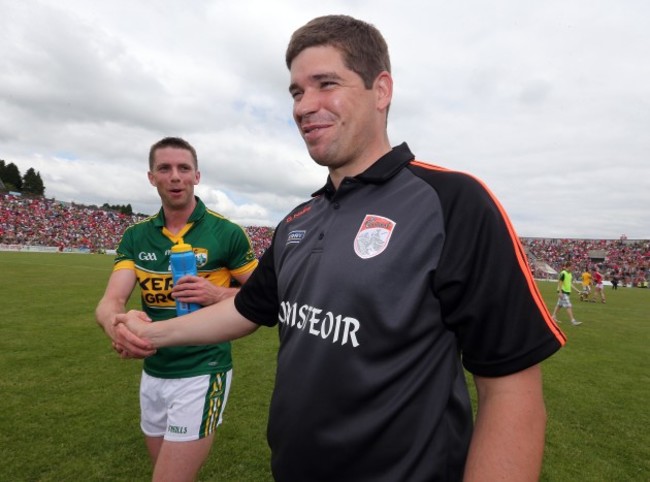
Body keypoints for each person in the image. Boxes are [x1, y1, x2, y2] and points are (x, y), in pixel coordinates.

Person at [114, 15, 566, 481]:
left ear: (381, 90)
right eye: (295, 92)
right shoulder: (298, 220)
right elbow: (248, 309)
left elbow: (511, 391)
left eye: (325, 83)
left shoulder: (453, 203)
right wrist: (150, 334)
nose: (305, 106)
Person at [95, 136, 258, 482]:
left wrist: (216, 294)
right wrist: (117, 327)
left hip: (204, 368)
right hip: (153, 370)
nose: (175, 176)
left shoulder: (226, 233)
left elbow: (266, 296)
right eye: (164, 168)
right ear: (151, 177)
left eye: (184, 168)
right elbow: (111, 302)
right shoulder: (135, 237)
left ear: (197, 176)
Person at [551, 260, 583, 325]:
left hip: (566, 292)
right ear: (568, 266)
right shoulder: (563, 273)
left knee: (559, 305)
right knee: (568, 306)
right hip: (563, 292)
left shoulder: (569, 274)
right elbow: (560, 282)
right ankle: (573, 321)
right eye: (572, 267)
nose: (573, 268)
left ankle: (553, 317)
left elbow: (570, 284)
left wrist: (577, 291)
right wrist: (560, 292)